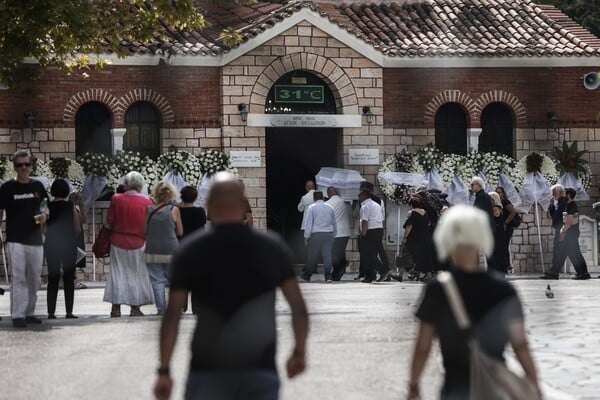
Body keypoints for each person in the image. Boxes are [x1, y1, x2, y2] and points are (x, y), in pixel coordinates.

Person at [154, 172, 309, 400]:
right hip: (259, 367)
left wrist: (164, 370)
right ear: (242, 205)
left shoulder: (191, 251)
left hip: (207, 368)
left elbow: (173, 314)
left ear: (208, 206)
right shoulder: (271, 247)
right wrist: (299, 352)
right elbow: (298, 307)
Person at [408, 205, 540, 399]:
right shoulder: (504, 289)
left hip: (455, 390)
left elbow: (423, 346)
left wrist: (413, 385)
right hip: (495, 389)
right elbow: (520, 344)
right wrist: (535, 386)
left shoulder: (437, 289)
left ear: (448, 240)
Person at [0, 150, 49, 328]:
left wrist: (44, 214)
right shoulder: (7, 188)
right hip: (15, 239)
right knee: (18, 277)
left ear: (31, 166)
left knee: (34, 278)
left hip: (36, 238)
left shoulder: (37, 186)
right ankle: (18, 314)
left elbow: (44, 203)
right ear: (14, 167)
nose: (23, 168)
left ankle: (30, 312)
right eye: (20, 165)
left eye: (26, 164)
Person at [103, 171, 155, 317]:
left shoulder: (116, 199)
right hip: (139, 243)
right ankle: (135, 308)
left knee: (117, 273)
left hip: (118, 242)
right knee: (136, 275)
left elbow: (109, 222)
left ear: (125, 184)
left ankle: (115, 308)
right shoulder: (147, 202)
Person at [144, 181, 183, 315]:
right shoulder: (174, 209)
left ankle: (161, 309)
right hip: (171, 248)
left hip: (152, 248)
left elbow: (144, 230)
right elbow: (180, 232)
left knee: (157, 280)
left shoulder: (149, 209)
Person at [45, 179, 81, 319]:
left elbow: (43, 226)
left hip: (52, 244)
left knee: (52, 276)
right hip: (68, 244)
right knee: (68, 277)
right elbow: (77, 228)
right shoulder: (70, 207)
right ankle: (69, 311)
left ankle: (51, 312)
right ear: (66, 191)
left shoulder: (47, 206)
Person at [555, 188, 591, 280]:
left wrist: (563, 231)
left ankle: (583, 273)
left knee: (575, 254)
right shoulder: (569, 205)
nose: (563, 196)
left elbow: (569, 221)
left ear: (569, 195)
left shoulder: (572, 206)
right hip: (570, 234)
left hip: (571, 234)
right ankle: (582, 273)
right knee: (571, 254)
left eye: (565, 194)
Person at [300, 191, 336, 282]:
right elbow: (334, 223)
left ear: (314, 198)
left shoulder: (312, 208)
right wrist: (334, 235)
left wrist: (306, 236)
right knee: (327, 255)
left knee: (312, 255)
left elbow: (308, 223)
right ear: (323, 197)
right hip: (328, 233)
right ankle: (328, 276)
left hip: (316, 234)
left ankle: (307, 275)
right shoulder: (330, 207)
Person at [360, 181, 390, 281]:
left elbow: (365, 220)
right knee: (377, 252)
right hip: (378, 228)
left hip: (370, 230)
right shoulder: (378, 202)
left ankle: (382, 270)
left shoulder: (365, 205)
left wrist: (363, 233)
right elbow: (382, 216)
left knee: (369, 254)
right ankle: (371, 276)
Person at [402, 196, 436, 281]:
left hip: (414, 239)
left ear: (411, 205)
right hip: (426, 237)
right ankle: (428, 275)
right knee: (426, 257)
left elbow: (409, 226)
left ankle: (400, 274)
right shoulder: (424, 212)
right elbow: (428, 224)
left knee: (406, 254)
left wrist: (405, 237)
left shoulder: (412, 213)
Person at [541, 184, 567, 280]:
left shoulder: (563, 202)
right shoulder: (559, 202)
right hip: (559, 228)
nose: (552, 194)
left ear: (559, 192)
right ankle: (554, 272)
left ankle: (554, 272)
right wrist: (551, 205)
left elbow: (558, 216)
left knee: (559, 251)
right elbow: (554, 215)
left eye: (554, 192)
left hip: (561, 229)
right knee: (560, 252)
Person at [326, 187, 352, 281]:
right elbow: (350, 214)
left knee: (333, 254)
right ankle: (338, 272)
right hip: (345, 232)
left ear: (329, 193)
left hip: (335, 232)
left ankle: (339, 269)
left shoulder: (327, 204)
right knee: (340, 252)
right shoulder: (346, 202)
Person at [495, 187, 518, 273]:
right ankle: (504, 265)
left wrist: (506, 223)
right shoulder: (498, 203)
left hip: (507, 227)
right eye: (496, 192)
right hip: (501, 228)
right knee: (502, 246)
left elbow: (513, 212)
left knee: (504, 246)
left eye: (499, 192)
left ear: (503, 194)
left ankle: (506, 265)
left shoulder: (505, 202)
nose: (498, 194)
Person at [488, 191, 510, 274]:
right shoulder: (497, 208)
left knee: (497, 254)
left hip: (497, 235)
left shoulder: (495, 208)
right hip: (497, 234)